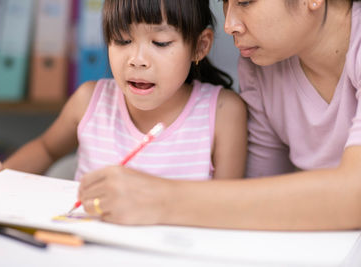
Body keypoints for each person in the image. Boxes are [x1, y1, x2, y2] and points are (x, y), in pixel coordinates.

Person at [76, 0, 361, 230]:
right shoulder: (260, 68)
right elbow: (253, 196)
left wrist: (162, 199)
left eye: (245, 2)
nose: (229, 24)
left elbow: (354, 195)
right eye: (224, 2)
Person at [0, 0, 247, 199]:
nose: (137, 60)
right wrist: (0, 175)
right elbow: (47, 149)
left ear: (199, 46)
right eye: (122, 40)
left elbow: (225, 205)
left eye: (160, 43)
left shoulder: (223, 112)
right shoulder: (89, 100)